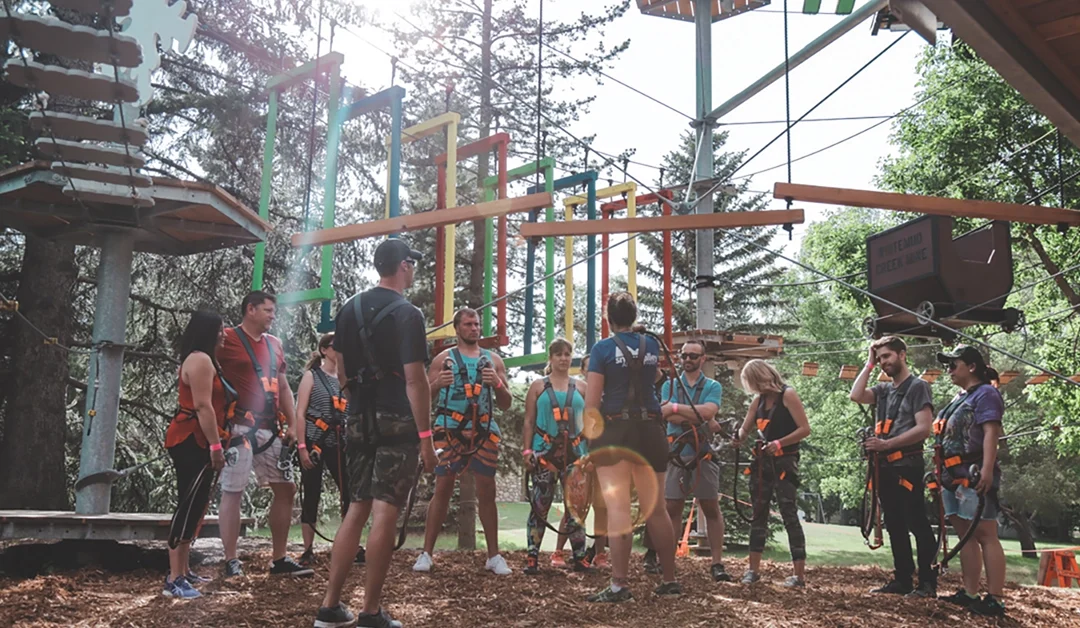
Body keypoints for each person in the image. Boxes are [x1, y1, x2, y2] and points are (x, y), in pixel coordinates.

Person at [314, 238, 437, 628]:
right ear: (402, 266)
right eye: (412, 264)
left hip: (358, 418)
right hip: (397, 419)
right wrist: (427, 440)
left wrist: (356, 412)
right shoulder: (409, 315)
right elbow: (417, 381)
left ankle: (330, 607)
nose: (414, 270)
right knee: (385, 509)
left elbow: (345, 373)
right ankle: (370, 611)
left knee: (357, 508)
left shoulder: (348, 310)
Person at [583, 291, 679, 603]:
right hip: (651, 430)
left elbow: (592, 400)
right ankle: (669, 580)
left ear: (607, 319)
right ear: (634, 317)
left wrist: (589, 442)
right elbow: (657, 376)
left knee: (619, 509)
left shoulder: (602, 349)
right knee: (657, 508)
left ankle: (619, 585)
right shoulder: (650, 343)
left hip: (617, 431)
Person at [217, 291, 311, 577]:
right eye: (268, 310)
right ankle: (231, 559)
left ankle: (279, 558)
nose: (273, 316)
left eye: (274, 311)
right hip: (239, 426)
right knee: (233, 490)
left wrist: (293, 425)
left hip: (271, 428)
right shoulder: (227, 339)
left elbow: (283, 387)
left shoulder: (275, 345)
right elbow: (206, 372)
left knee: (286, 488)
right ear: (250, 310)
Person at [413, 307, 514, 575]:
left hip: (483, 430)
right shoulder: (442, 360)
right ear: (457, 328)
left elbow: (506, 404)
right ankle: (426, 553)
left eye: (477, 324)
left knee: (487, 492)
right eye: (468, 324)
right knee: (442, 489)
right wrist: (436, 384)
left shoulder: (493, 360)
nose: (474, 328)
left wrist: (498, 384)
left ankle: (493, 556)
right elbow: (423, 398)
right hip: (449, 429)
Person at [849, 336, 937, 598]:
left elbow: (924, 429)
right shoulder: (883, 390)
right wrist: (868, 365)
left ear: (901, 354)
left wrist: (887, 445)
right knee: (894, 523)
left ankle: (927, 582)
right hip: (885, 465)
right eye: (880, 358)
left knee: (916, 522)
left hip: (907, 464)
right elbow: (855, 395)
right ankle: (902, 579)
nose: (883, 362)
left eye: (887, 356)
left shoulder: (918, 387)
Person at [645, 340, 732, 582]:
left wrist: (677, 409)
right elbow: (666, 412)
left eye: (694, 356)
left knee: (710, 506)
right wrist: (695, 414)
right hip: (676, 452)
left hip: (702, 452)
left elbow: (707, 413)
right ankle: (668, 560)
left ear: (703, 359)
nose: (688, 359)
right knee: (672, 506)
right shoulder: (671, 385)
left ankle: (716, 563)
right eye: (684, 355)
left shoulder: (712, 385)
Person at [933, 345, 1007, 617]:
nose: (948, 370)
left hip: (975, 472)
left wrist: (987, 470)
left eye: (954, 364)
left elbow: (991, 433)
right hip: (952, 476)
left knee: (986, 534)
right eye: (947, 366)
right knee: (965, 535)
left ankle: (996, 599)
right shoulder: (959, 397)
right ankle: (970, 591)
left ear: (971, 367)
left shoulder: (987, 393)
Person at [162, 311, 230, 599]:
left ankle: (184, 570)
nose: (224, 334)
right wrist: (216, 447)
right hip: (192, 439)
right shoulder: (201, 360)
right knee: (188, 503)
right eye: (220, 330)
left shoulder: (205, 359)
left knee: (197, 502)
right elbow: (203, 407)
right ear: (208, 331)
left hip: (198, 439)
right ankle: (174, 578)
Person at [733, 359, 810, 587]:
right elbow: (745, 430)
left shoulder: (788, 395)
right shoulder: (758, 402)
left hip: (784, 463)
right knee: (758, 516)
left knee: (789, 515)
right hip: (762, 464)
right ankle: (753, 570)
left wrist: (779, 443)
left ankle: (799, 575)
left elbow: (804, 429)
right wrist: (737, 437)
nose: (753, 388)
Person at [295, 332, 365, 567]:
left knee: (349, 493)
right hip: (315, 442)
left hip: (340, 444)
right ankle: (307, 550)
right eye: (336, 347)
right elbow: (300, 413)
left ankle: (350, 545)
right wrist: (302, 447)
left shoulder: (346, 379)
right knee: (311, 494)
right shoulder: (311, 377)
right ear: (325, 350)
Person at [522, 338, 591, 574]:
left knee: (576, 508)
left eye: (567, 354)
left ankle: (579, 557)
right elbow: (529, 420)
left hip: (576, 454)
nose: (563, 358)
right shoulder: (538, 387)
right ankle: (532, 556)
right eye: (558, 354)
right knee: (540, 506)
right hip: (544, 454)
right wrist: (527, 450)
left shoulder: (582, 387)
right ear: (550, 358)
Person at [555, 352, 609, 570]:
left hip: (603, 455)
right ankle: (559, 550)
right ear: (584, 371)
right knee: (575, 506)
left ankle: (599, 554)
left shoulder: (609, 395)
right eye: (590, 367)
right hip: (581, 455)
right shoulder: (577, 393)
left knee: (601, 506)